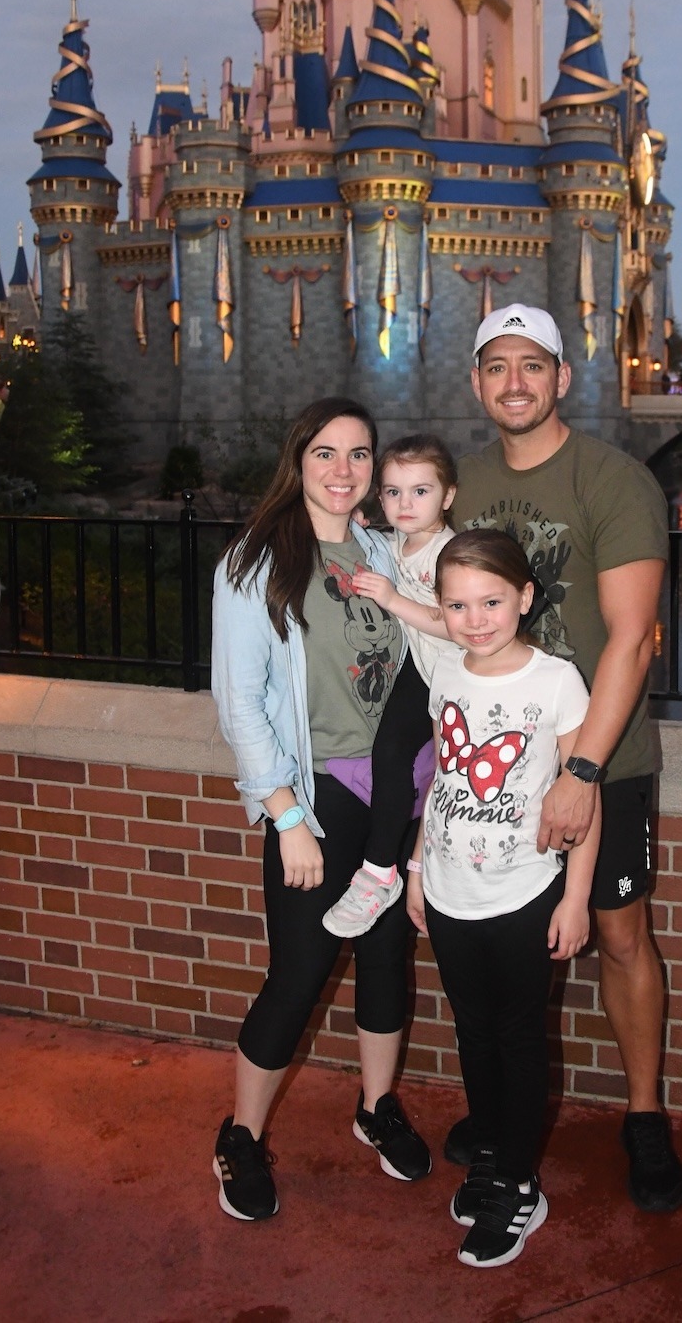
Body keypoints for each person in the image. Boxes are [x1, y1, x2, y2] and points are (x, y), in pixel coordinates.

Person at [451, 302, 682, 1214]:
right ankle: (511, 1115)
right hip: (490, 767)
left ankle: (643, 1114)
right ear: (478, 382)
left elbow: (630, 641)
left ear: (561, 377)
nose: (515, 382)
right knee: (506, 944)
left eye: (532, 365)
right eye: (497, 366)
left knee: (620, 934)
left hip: (602, 759)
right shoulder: (460, 483)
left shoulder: (614, 479)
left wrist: (581, 773)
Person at [210, 396, 431, 1224]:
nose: (344, 471)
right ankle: (240, 1134)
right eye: (327, 454)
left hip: (394, 793)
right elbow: (240, 704)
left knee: (384, 960)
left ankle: (375, 1108)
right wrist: (284, 814)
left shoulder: (387, 549)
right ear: (297, 460)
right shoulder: (254, 561)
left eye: (361, 455)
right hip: (317, 797)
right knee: (299, 974)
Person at [405, 528, 599, 1268]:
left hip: (524, 894)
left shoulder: (556, 682)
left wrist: (575, 899)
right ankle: (490, 1152)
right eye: (457, 605)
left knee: (517, 1040)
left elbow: (585, 801)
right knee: (472, 1033)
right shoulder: (448, 674)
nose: (475, 618)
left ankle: (520, 1183)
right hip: (451, 893)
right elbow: (442, 780)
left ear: (523, 597)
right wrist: (420, 870)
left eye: (490, 601)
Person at [321, 433, 458, 939]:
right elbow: (385, 547)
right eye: (393, 492)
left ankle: (382, 872)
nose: (406, 503)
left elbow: (458, 624)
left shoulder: (450, 553)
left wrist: (393, 599)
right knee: (398, 757)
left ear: (447, 496)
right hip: (417, 669)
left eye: (420, 492)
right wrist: (358, 528)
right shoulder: (400, 540)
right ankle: (395, 869)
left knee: (402, 756)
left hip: (449, 676)